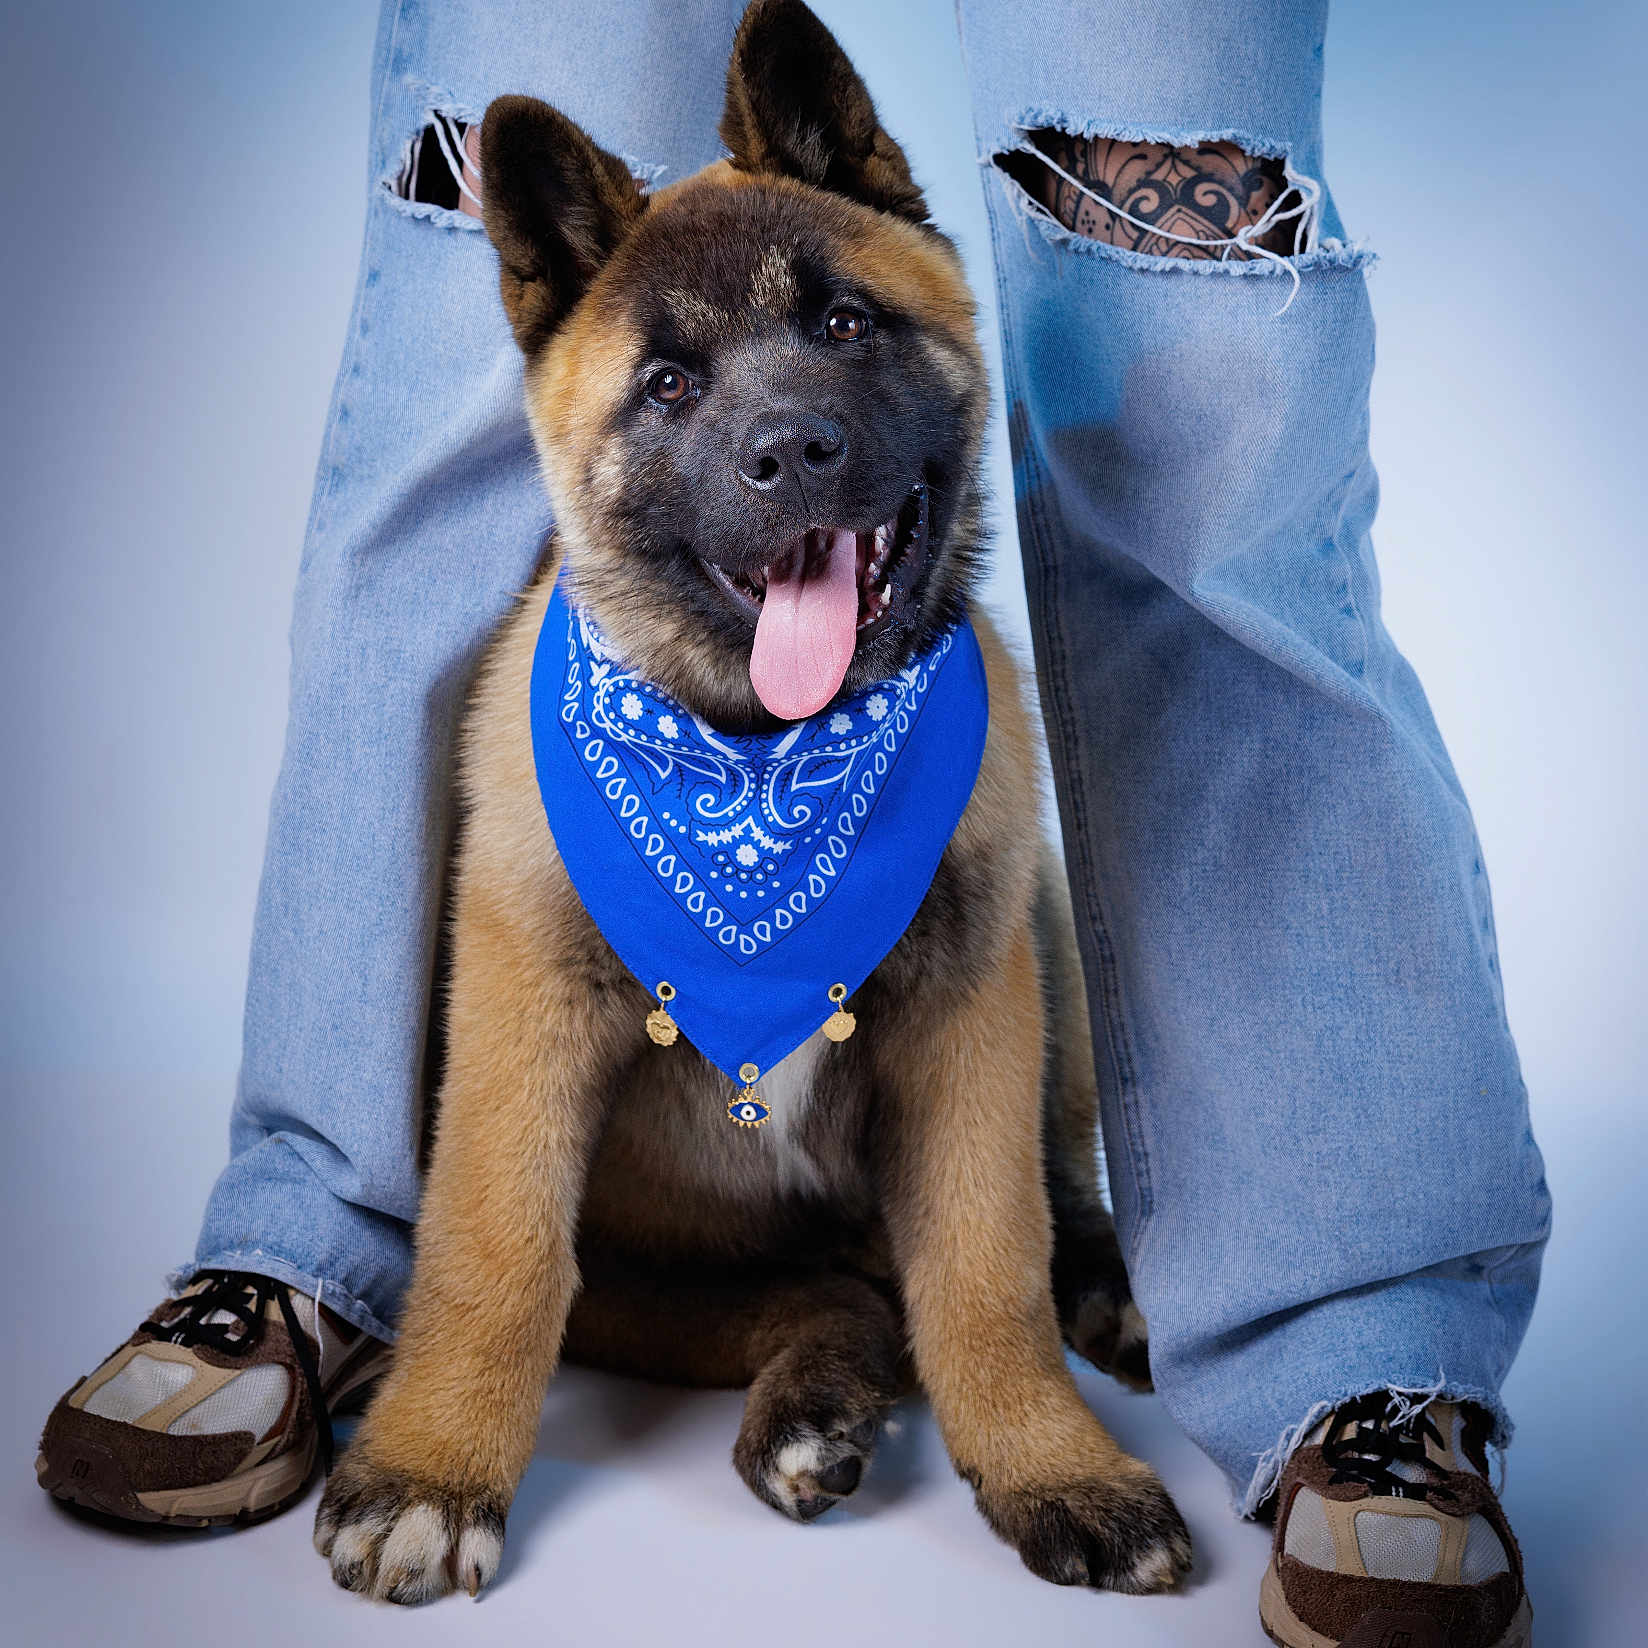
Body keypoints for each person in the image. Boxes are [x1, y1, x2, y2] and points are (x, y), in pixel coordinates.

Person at [36, 3, 1548, 1643]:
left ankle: (1345, 1339)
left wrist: (1012, 1397)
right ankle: (335, 1255)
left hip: (926, 1132)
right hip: (635, 1206)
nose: (789, 423)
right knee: (442, 351)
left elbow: (980, 1017)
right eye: (678, 382)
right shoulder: (558, 749)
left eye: (843, 324)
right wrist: (467, 1408)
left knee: (1185, 342)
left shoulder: (966, 734)